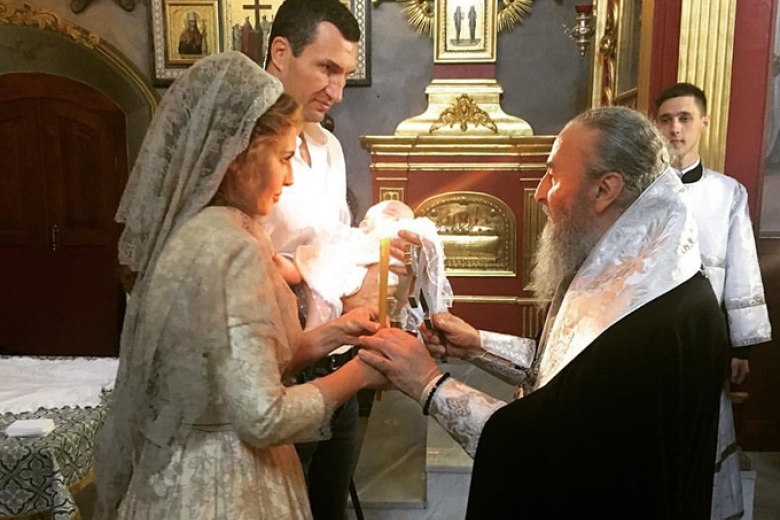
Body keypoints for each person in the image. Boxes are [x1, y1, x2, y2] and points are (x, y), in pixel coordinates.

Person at [359, 106, 730, 519]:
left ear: (605, 189)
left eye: (553, 176)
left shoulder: (657, 320)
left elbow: (545, 449)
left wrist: (428, 383)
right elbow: (568, 375)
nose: (538, 193)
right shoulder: (618, 270)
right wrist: (478, 346)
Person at [93, 52, 385, 520]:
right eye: (284, 158)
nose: (290, 177)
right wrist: (361, 374)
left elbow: (231, 368)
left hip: (171, 479)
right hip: (227, 487)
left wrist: (335, 333)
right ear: (237, 158)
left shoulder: (197, 231)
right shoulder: (235, 248)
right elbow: (263, 417)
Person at [263, 1, 379, 518]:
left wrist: (372, 254)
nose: (337, 89)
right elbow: (234, 256)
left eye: (345, 74)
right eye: (327, 68)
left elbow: (335, 242)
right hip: (274, 360)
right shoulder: (240, 142)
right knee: (281, 505)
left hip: (336, 351)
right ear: (280, 53)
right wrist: (301, 268)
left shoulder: (328, 146)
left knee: (329, 503)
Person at [655, 82, 772, 520]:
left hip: (704, 338)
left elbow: (742, 265)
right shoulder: (638, 190)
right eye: (666, 119)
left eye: (685, 118)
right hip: (647, 337)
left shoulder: (728, 193)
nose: (675, 129)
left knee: (704, 430)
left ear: (704, 122)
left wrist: (741, 346)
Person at [274, 200, 451, 331]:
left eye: (402, 219)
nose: (396, 217)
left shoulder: (399, 235)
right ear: (365, 224)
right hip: (332, 266)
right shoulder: (354, 235)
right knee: (319, 261)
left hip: (363, 275)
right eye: (389, 213)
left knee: (327, 273)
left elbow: (417, 255)